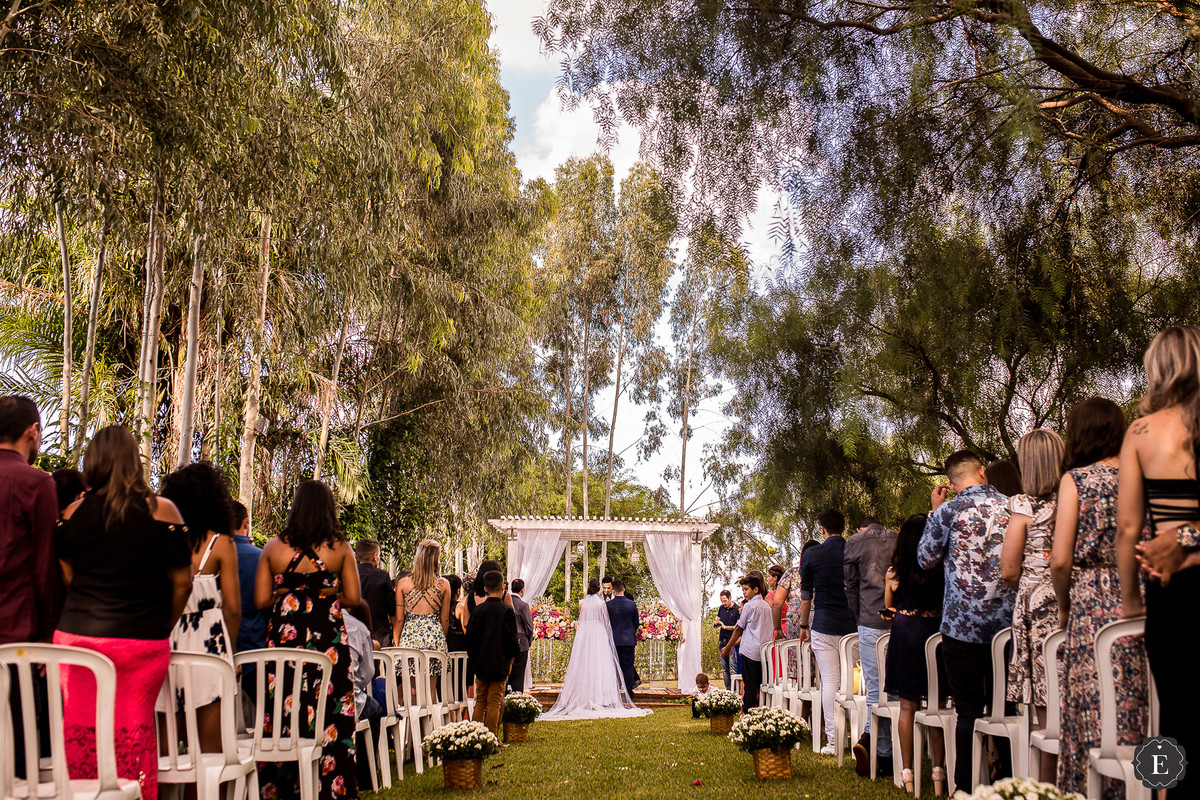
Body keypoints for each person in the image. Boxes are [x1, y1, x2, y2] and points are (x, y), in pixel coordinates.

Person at [54, 425, 192, 800]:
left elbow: (67, 571)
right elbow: (183, 582)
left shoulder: (72, 514)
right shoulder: (161, 511)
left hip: (76, 640)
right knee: (133, 732)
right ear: (134, 461)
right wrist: (163, 623)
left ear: (92, 462)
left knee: (80, 729)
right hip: (141, 640)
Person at [1117, 326, 1200, 800]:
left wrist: (1131, 600)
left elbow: (1129, 529)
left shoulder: (1142, 432)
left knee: (1173, 716)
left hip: (1171, 594)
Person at [1050, 397, 1147, 799]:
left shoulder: (1077, 480)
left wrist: (1064, 605)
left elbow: (1059, 559)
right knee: (1139, 705)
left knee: (1093, 711)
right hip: (1138, 593)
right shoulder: (1139, 473)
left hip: (1090, 600)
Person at [254, 479, 361, 800]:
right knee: (332, 713)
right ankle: (333, 789)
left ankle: (283, 789)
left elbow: (260, 600)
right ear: (328, 509)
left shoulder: (273, 548)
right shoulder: (339, 548)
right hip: (327, 641)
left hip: (286, 646)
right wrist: (329, 592)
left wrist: (285, 592)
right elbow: (354, 597)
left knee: (287, 711)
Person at [918, 450, 1014, 793]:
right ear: (983, 471)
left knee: (968, 710)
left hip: (961, 627)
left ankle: (964, 787)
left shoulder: (948, 510)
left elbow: (925, 559)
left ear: (950, 483)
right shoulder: (1012, 505)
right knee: (1008, 708)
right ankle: (1008, 782)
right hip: (1006, 624)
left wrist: (933, 512)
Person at [158, 461, 242, 754]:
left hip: (168, 641)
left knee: (166, 754)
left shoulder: (165, 540)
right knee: (209, 756)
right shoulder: (220, 544)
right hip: (209, 646)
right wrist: (228, 653)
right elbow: (233, 608)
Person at [0, 396, 60, 779]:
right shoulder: (37, 483)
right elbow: (44, 569)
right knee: (20, 764)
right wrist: (48, 636)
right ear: (33, 431)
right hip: (17, 638)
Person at [999, 428, 1064, 780]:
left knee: (1044, 691)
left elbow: (1008, 568)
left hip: (1035, 604)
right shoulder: (1073, 499)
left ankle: (1048, 781)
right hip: (1072, 595)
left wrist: (1027, 583)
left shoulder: (1022, 506)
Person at [884, 513, 948, 795]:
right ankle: (939, 771)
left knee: (907, 706)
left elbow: (889, 603)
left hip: (906, 630)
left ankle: (908, 772)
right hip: (934, 631)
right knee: (938, 703)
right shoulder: (940, 568)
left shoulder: (894, 571)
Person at [540, 578, 650, 720]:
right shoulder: (603, 604)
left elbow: (582, 619)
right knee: (605, 665)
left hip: (584, 635)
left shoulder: (583, 603)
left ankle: (585, 693)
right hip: (601, 634)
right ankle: (615, 694)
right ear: (599, 589)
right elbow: (607, 622)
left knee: (585, 664)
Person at [797, 508, 857, 754]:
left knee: (830, 682)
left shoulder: (812, 554)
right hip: (852, 626)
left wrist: (803, 626)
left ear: (822, 529)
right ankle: (857, 740)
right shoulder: (854, 549)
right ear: (843, 527)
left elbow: (805, 597)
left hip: (823, 624)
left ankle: (834, 741)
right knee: (852, 683)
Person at [844, 514, 897, 776]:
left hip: (869, 621)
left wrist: (859, 617)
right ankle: (892, 754)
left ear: (860, 528)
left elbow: (850, 586)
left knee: (875, 693)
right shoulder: (898, 539)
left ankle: (877, 748)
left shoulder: (854, 542)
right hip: (900, 622)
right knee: (896, 690)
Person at [466, 570, 518, 735]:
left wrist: (474, 660)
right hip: (500, 661)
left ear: (485, 589)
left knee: (480, 701)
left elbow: (471, 638)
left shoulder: (478, 610)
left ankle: (476, 737)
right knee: (494, 702)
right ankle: (492, 738)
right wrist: (510, 662)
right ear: (503, 587)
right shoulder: (507, 611)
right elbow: (512, 640)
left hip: (481, 662)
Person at [394, 539, 450, 692]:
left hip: (410, 638)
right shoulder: (443, 584)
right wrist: (440, 637)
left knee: (412, 691)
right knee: (431, 691)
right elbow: (445, 619)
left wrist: (398, 643)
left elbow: (399, 619)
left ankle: (412, 716)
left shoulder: (403, 583)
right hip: (434, 638)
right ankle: (432, 716)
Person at [720, 573, 773, 712]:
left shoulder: (750, 606)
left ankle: (748, 716)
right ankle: (762, 713)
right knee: (761, 686)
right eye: (742, 590)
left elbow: (738, 629)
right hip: (764, 652)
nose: (744, 592)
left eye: (746, 589)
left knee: (749, 687)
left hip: (750, 652)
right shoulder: (767, 606)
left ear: (756, 589)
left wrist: (728, 647)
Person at [344, 602, 380, 788]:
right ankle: (365, 776)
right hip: (348, 701)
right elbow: (366, 674)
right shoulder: (356, 628)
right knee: (374, 708)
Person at [229, 502, 268, 653]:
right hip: (255, 648)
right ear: (245, 523)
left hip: (215, 652)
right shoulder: (261, 557)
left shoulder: (206, 559)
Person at [356, 538, 395, 646]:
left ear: (357, 556)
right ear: (375, 556)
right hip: (379, 635)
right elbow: (392, 609)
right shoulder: (382, 576)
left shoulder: (350, 576)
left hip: (354, 635)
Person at [607, 578, 641, 692]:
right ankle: (629, 692)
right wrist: (631, 632)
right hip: (628, 640)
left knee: (615, 666)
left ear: (614, 591)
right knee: (628, 666)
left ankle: (615, 692)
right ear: (624, 589)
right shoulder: (632, 604)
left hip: (614, 640)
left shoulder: (609, 605)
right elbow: (636, 622)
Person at [508, 577, 534, 694]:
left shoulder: (505, 603)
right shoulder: (523, 605)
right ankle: (516, 702)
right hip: (521, 644)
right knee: (518, 677)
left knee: (507, 677)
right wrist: (528, 641)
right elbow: (529, 627)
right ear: (522, 590)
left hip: (506, 643)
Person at [715, 589, 740, 689]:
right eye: (722, 601)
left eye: (725, 601)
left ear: (730, 598)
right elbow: (718, 619)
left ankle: (735, 690)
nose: (724, 603)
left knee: (732, 667)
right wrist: (717, 623)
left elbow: (738, 627)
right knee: (724, 668)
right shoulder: (721, 608)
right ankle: (728, 689)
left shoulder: (737, 609)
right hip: (722, 640)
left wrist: (725, 627)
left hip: (732, 641)